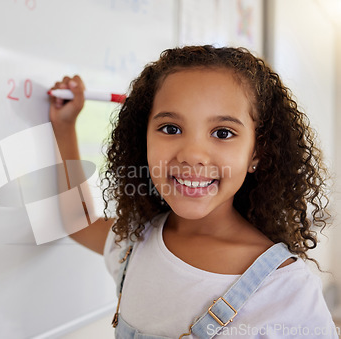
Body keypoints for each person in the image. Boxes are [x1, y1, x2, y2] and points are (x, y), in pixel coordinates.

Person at [49, 45, 339, 338]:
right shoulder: (136, 242)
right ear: (143, 138)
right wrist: (63, 127)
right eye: (171, 128)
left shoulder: (285, 290)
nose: (192, 155)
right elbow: (78, 220)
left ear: (256, 152)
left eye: (223, 133)